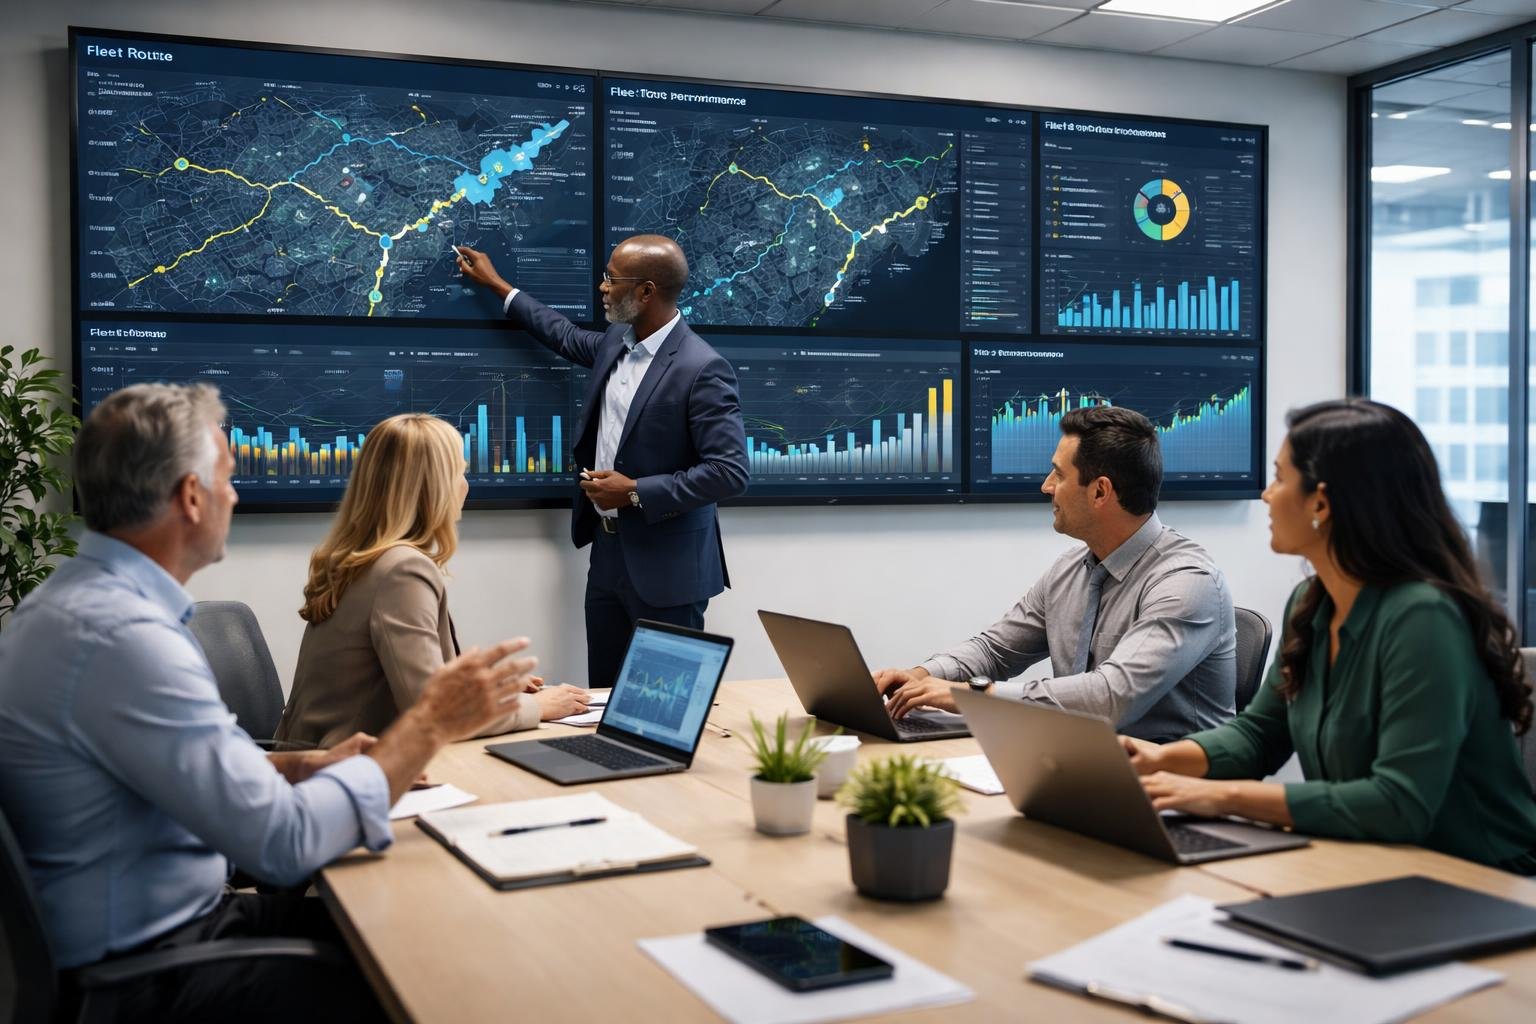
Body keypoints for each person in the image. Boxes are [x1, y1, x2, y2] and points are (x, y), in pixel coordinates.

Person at [0, 383, 539, 1020]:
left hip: (167, 932)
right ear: (191, 498)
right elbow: (282, 843)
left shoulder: (75, 610)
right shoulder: (126, 642)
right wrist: (425, 727)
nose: (235, 493)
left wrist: (305, 765)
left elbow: (188, 768)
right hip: (156, 978)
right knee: (449, 972)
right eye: (228, 477)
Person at [1121, 399, 1536, 873]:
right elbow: (1261, 735)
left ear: (1321, 502)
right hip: (1373, 864)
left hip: (1480, 882)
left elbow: (1398, 802)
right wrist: (1158, 760)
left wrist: (1221, 797)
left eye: (1279, 478)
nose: (1265, 494)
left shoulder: (1424, 617)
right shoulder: (1310, 601)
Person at [455, 235, 749, 688]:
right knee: (604, 697)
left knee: (665, 704)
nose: (602, 287)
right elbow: (563, 334)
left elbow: (729, 472)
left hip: (669, 569)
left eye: (612, 279)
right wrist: (498, 286)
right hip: (609, 555)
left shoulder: (702, 368)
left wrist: (633, 492)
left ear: (646, 292)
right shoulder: (617, 342)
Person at [872, 405, 1236, 742]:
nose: (1046, 486)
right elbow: (995, 650)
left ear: (1099, 491)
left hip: (1172, 789)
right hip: (1081, 765)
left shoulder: (1187, 583)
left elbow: (1111, 698)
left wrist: (973, 695)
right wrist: (922, 675)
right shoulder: (1070, 569)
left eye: (1059, 474)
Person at [275, 413, 588, 748]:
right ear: (433, 487)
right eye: (460, 472)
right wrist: (534, 707)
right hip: (352, 767)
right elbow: (432, 713)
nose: (466, 485)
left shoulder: (357, 557)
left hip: (317, 759)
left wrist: (486, 692)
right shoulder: (402, 570)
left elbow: (416, 680)